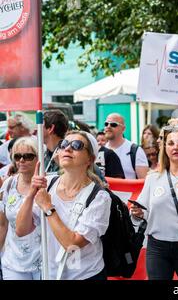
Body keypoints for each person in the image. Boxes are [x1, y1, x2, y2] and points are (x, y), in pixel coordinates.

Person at [16, 130, 112, 280]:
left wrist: (48, 207)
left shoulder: (100, 197)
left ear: (90, 159)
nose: (67, 148)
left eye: (77, 145)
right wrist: (31, 194)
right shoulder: (48, 185)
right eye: (63, 144)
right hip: (50, 273)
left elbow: (72, 244)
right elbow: (21, 230)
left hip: (85, 275)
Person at [130, 123, 178, 280]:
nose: (176, 147)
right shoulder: (153, 177)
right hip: (157, 247)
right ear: (164, 148)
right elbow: (142, 212)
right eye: (171, 143)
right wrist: (137, 213)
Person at [0, 137, 41, 280]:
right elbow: (3, 223)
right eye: (17, 156)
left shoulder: (48, 184)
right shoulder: (8, 184)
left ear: (38, 157)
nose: (22, 160)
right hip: (13, 261)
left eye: (28, 156)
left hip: (43, 260)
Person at [104, 113, 149, 179]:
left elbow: (144, 182)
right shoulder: (99, 151)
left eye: (113, 124)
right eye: (106, 124)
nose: (108, 126)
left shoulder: (135, 150)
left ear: (123, 129)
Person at [43, 110, 69, 174]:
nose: (36, 130)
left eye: (40, 126)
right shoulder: (45, 155)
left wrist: (62, 166)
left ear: (50, 128)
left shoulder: (67, 154)